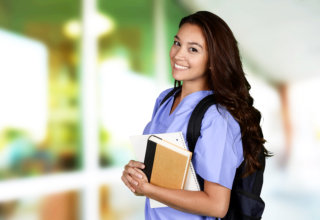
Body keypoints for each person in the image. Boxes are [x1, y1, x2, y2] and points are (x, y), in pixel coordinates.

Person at [121, 11, 270, 219]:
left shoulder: (217, 118)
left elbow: (216, 205)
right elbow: (161, 178)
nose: (178, 55)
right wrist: (136, 176)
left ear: (212, 60)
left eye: (193, 49)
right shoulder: (165, 100)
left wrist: (148, 190)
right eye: (177, 43)